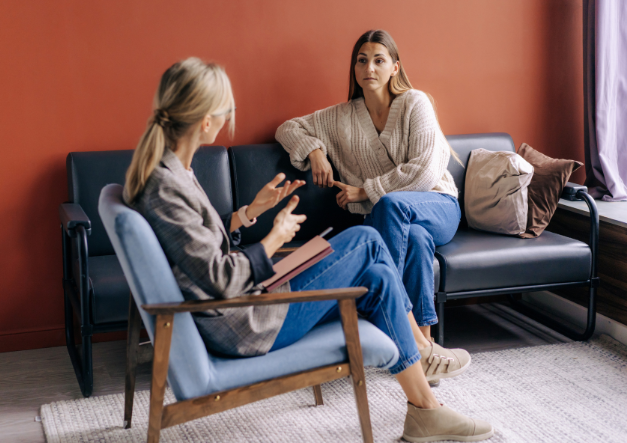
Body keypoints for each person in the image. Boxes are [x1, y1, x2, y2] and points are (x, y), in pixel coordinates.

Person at [123, 57, 493, 442]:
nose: (228, 117)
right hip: (243, 321)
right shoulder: (164, 185)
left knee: (379, 273)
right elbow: (218, 279)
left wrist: (250, 212)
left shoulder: (172, 172)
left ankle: (424, 409)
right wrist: (273, 239)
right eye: (226, 110)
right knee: (366, 241)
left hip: (249, 301)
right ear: (204, 121)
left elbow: (197, 244)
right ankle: (421, 348)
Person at [276, 30, 462, 349]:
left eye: (379, 60)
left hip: (438, 205)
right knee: (414, 238)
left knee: (388, 205)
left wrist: (364, 192)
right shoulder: (342, 117)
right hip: (397, 221)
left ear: (395, 67)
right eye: (362, 61)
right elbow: (288, 128)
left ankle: (393, 320)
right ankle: (425, 345)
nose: (369, 69)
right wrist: (315, 152)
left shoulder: (415, 103)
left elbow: (425, 170)